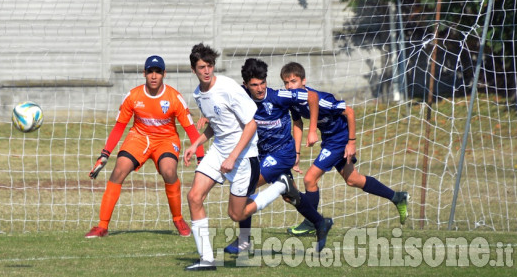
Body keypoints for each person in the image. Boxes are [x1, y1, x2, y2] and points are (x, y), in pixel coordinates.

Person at [280, 62, 409, 236]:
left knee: (310, 179)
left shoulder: (322, 99)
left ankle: (311, 222)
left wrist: (352, 142)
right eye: (286, 83)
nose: (289, 86)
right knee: (353, 179)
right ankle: (397, 197)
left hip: (339, 141)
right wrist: (296, 153)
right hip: (330, 140)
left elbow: (350, 113)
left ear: (304, 81)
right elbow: (297, 123)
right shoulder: (293, 102)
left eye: (293, 81)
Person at [221, 58, 334, 255]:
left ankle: (244, 240)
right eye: (254, 84)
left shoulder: (278, 96)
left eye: (262, 83)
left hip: (282, 153)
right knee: (292, 197)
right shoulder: (241, 96)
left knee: (246, 185)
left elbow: (313, 97)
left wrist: (313, 129)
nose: (260, 88)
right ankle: (320, 222)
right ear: (246, 85)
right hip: (261, 154)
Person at [85, 55, 204, 239]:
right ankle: (102, 226)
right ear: (144, 74)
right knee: (119, 170)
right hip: (139, 137)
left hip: (166, 139)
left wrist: (201, 157)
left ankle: (178, 219)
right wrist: (105, 154)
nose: (154, 76)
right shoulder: (133, 96)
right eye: (150, 72)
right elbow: (119, 127)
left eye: (158, 72)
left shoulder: (174, 98)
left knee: (169, 171)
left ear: (164, 74)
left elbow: (191, 130)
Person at [182, 43, 259, 271]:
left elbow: (251, 124)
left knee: (236, 215)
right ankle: (206, 260)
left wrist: (233, 157)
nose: (206, 71)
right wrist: (195, 144)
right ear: (193, 69)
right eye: (201, 67)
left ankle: (279, 188)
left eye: (210, 66)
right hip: (218, 152)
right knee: (194, 197)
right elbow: (215, 126)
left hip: (242, 155)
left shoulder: (228, 87)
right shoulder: (198, 94)